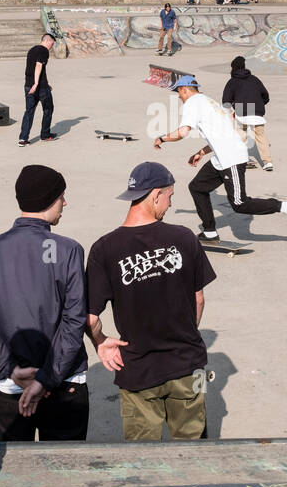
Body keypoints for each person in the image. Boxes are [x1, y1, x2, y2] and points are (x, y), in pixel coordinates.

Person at [85, 162, 215, 440]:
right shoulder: (184, 237)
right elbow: (199, 298)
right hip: (187, 366)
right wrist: (186, 334)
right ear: (155, 195)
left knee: (142, 460)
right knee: (194, 453)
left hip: (137, 370)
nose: (169, 204)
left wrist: (101, 343)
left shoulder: (104, 248)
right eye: (169, 196)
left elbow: (91, 317)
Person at [0, 166, 90, 441]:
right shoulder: (68, 251)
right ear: (48, 200)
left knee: (12, 473)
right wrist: (46, 378)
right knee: (66, 475)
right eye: (61, 197)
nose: (64, 203)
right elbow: (74, 320)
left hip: (12, 386)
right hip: (64, 386)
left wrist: (8, 368)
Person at [153, 75, 287, 243]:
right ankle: (210, 232)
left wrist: (162, 138)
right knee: (197, 188)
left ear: (185, 90)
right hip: (221, 158)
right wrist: (202, 152)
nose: (179, 97)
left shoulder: (192, 103)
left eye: (179, 93)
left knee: (240, 203)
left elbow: (183, 132)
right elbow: (222, 134)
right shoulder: (208, 101)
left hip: (232, 158)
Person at [223, 55, 274, 171]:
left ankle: (243, 159)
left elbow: (226, 100)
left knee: (241, 135)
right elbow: (265, 95)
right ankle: (268, 162)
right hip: (257, 112)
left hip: (241, 111)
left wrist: (230, 112)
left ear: (233, 68)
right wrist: (259, 105)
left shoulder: (232, 82)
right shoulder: (254, 79)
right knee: (260, 136)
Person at [19, 32, 57, 146]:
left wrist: (42, 83)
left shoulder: (32, 50)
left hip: (28, 86)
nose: (51, 47)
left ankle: (23, 139)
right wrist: (36, 84)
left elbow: (34, 69)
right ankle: (45, 134)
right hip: (40, 88)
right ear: (47, 41)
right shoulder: (44, 51)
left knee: (29, 111)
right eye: (52, 44)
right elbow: (38, 65)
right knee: (48, 109)